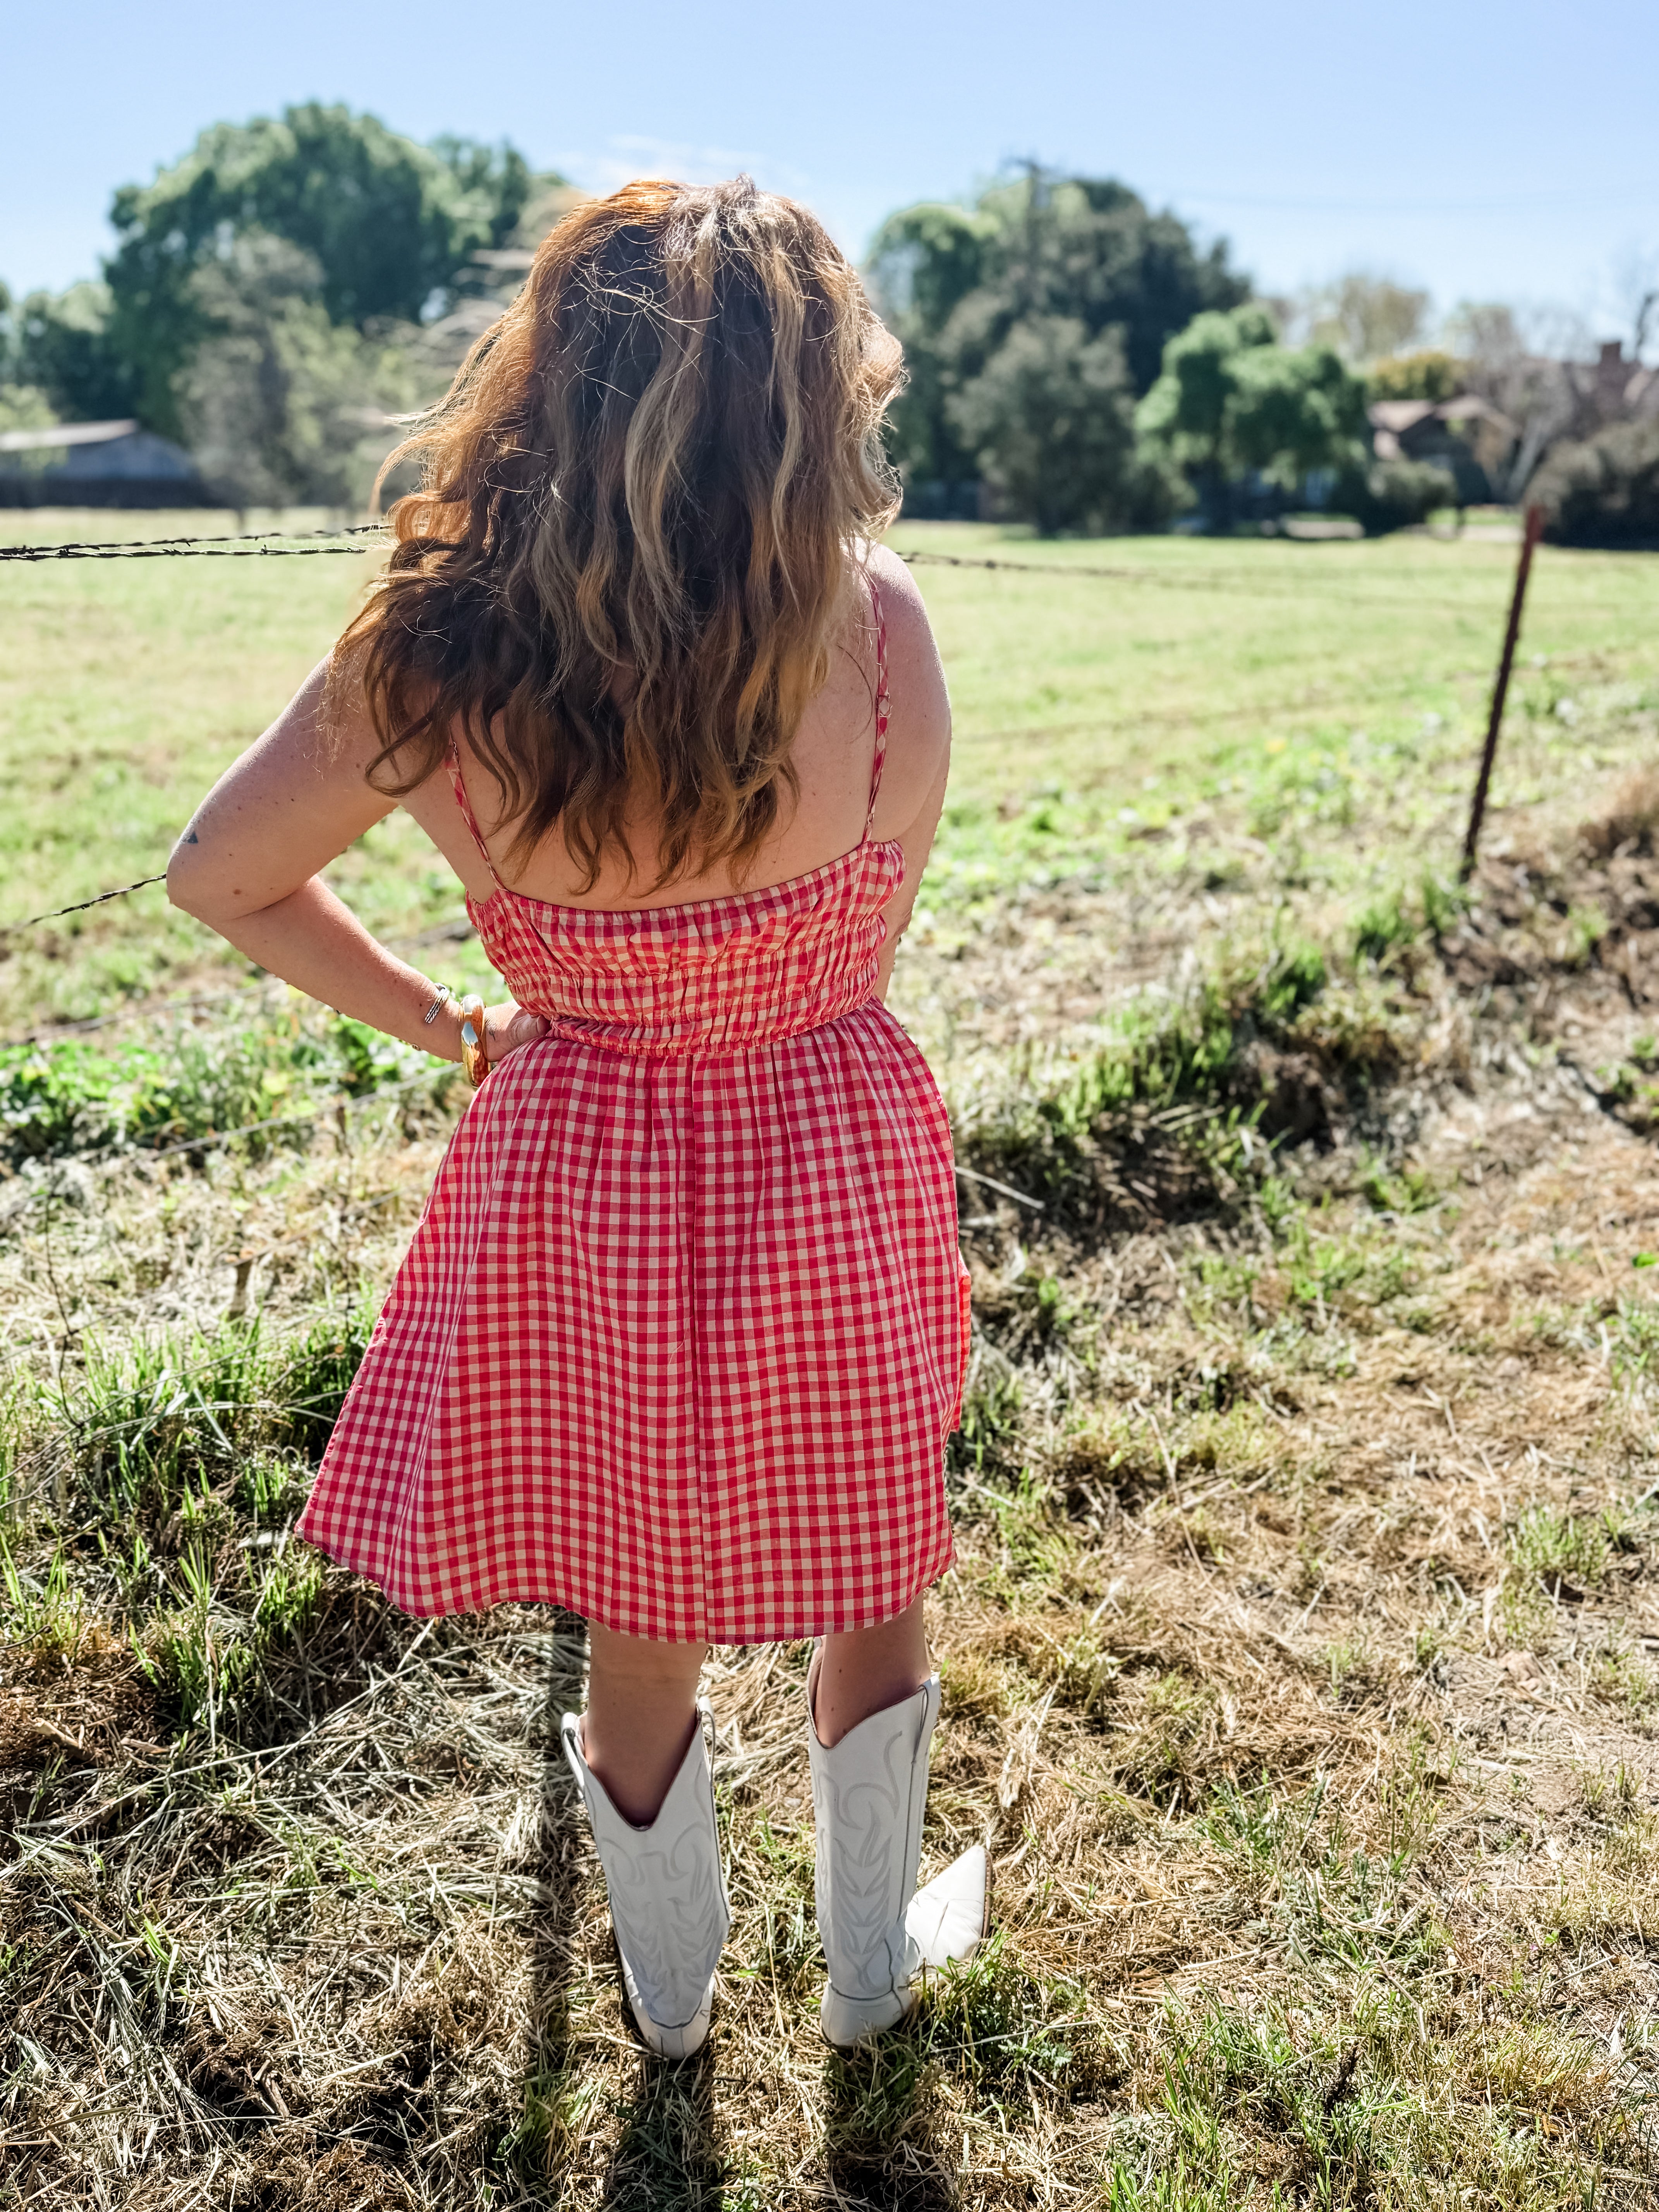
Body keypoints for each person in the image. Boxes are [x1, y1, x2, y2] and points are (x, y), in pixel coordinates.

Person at [167, 175, 984, 2061]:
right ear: (807, 404)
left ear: (554, 380)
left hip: (581, 1167)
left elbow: (222, 876)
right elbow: (869, 932)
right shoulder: (885, 635)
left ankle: (674, 2012)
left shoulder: (434, 649)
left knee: (641, 1590)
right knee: (879, 1566)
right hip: (833, 1148)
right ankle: (869, 1987)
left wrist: (456, 1017)